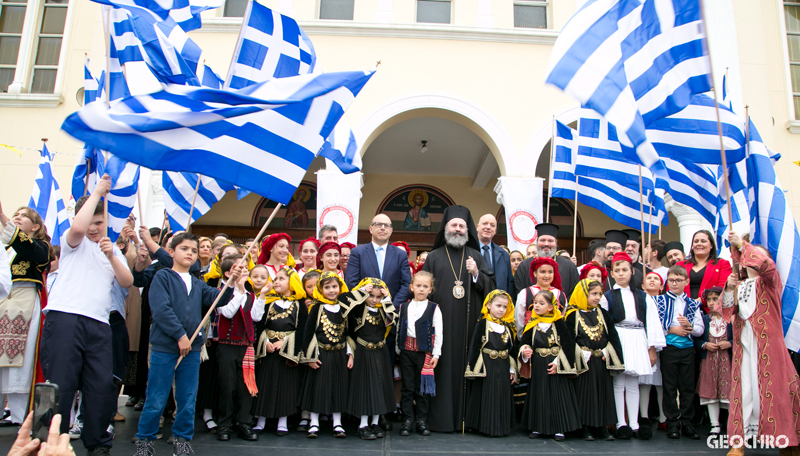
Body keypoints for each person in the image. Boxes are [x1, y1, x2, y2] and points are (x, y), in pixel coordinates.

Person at [41, 177, 133, 456]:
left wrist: (112, 255)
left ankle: (97, 442)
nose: (94, 228)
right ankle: (49, 440)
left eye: (99, 222)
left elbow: (127, 281)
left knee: (100, 385)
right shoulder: (72, 242)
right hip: (66, 318)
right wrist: (96, 192)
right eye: (91, 222)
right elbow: (79, 227)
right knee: (62, 384)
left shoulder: (110, 249)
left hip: (99, 324)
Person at [132, 233, 242, 456]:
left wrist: (231, 283)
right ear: (171, 252)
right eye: (185, 249)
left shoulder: (198, 283)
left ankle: (182, 439)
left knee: (187, 397)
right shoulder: (163, 277)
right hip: (165, 347)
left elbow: (218, 300)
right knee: (156, 396)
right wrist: (180, 336)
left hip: (191, 349)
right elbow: (161, 310)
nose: (190, 253)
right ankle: (145, 441)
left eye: (194, 250)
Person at [718, 232, 800, 456]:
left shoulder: (771, 281)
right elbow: (725, 311)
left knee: (778, 390)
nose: (750, 256)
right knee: (744, 391)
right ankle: (738, 443)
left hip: (769, 347)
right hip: (745, 345)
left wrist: (742, 245)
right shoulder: (741, 285)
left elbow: (767, 266)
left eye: (756, 254)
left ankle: (789, 441)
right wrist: (728, 287)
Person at [420, 205, 494, 433]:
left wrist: (476, 275)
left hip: (468, 328)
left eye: (462, 226)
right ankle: (440, 420)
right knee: (442, 371)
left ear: (468, 230)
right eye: (454, 225)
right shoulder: (433, 257)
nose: (458, 229)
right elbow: (423, 290)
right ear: (446, 228)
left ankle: (467, 419)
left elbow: (492, 289)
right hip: (440, 329)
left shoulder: (476, 257)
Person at [599, 252, 665, 440]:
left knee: (633, 382)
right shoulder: (607, 296)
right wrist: (607, 347)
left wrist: (651, 347)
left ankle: (635, 423)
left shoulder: (643, 297)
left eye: (625, 270)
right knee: (619, 382)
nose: (621, 274)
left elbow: (651, 322)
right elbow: (604, 323)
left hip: (638, 338)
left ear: (632, 272)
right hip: (619, 338)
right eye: (617, 271)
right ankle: (621, 423)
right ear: (612, 274)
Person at [299, 272, 367, 438]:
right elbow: (308, 333)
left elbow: (349, 333)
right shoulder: (316, 307)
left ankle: (337, 423)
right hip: (321, 354)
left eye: (334, 287)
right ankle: (314, 422)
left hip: (339, 354)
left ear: (340, 288)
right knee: (317, 388)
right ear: (321, 289)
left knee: (338, 388)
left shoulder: (344, 307)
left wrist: (350, 354)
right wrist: (310, 357)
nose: (331, 290)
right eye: (327, 287)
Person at [0, 204, 50, 428]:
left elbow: (31, 251)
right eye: (14, 215)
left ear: (35, 226)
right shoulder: (4, 248)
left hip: (24, 304)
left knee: (20, 363)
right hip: (2, 304)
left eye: (23, 216)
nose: (17, 218)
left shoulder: (40, 247)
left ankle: (22, 418)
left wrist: (3, 217)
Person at [517, 289, 581, 441]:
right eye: (535, 303)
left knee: (557, 395)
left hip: (554, 364)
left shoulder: (559, 323)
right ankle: (538, 426)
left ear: (551, 307)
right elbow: (525, 342)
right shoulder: (532, 323)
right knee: (539, 394)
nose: (536, 306)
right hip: (539, 365)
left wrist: (559, 363)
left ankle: (559, 427)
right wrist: (525, 351)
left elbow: (567, 344)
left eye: (541, 303)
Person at [565, 279, 624, 441]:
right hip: (584, 363)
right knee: (585, 395)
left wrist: (608, 351)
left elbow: (612, 335)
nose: (597, 297)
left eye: (599, 294)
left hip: (601, 360)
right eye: (593, 294)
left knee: (603, 393)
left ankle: (602, 427)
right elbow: (569, 340)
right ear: (583, 294)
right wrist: (580, 354)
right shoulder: (572, 316)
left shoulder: (602, 314)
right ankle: (585, 427)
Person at [252, 266, 307, 435]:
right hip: (268, 351)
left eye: (281, 279)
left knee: (286, 386)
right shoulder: (268, 302)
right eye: (276, 279)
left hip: (287, 352)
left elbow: (302, 329)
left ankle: (283, 420)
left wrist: (284, 341)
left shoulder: (299, 305)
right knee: (264, 384)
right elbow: (259, 324)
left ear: (293, 283)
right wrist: (266, 341)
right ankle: (261, 419)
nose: (277, 282)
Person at [215, 257, 264, 442]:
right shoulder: (221, 293)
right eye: (240, 268)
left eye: (245, 268)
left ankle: (244, 423)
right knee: (227, 387)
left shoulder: (250, 295)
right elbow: (227, 312)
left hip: (246, 347)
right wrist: (240, 290)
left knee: (246, 387)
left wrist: (261, 296)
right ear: (229, 274)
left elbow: (256, 317)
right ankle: (224, 425)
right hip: (227, 346)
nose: (245, 271)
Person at [652, 265, 704, 440]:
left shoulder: (693, 303)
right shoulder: (659, 301)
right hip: (669, 349)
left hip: (687, 349)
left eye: (678, 280)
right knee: (670, 386)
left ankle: (687, 422)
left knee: (687, 386)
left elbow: (700, 328)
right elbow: (654, 324)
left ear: (686, 282)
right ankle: (672, 422)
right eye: (671, 280)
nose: (674, 283)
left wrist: (690, 327)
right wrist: (671, 329)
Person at [347, 278, 396, 440]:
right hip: (363, 352)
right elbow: (345, 306)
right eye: (371, 296)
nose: (374, 300)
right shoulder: (358, 309)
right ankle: (362, 425)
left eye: (378, 297)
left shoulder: (383, 309)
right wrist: (361, 292)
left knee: (379, 387)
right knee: (364, 388)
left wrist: (387, 297)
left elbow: (393, 318)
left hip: (380, 352)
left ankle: (375, 422)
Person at [464, 290, 517, 437]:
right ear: (488, 305)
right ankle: (486, 426)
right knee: (487, 395)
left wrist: (512, 369)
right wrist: (473, 369)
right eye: (498, 305)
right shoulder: (483, 324)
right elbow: (475, 346)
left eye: (504, 307)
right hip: (487, 366)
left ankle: (501, 426)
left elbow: (512, 349)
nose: (501, 309)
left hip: (504, 365)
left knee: (502, 395)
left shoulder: (508, 327)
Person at [396, 271, 442, 437]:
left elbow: (439, 332)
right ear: (411, 287)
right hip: (407, 351)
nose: (421, 289)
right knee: (407, 387)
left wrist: (436, 354)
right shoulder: (404, 307)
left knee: (422, 389)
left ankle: (421, 420)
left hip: (425, 354)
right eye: (418, 286)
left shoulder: (434, 309)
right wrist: (398, 349)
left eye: (425, 286)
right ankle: (407, 419)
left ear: (430, 289)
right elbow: (399, 328)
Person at [694, 287, 731, 437]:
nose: (711, 303)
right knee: (710, 391)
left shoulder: (731, 319)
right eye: (709, 299)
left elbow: (740, 337)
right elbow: (696, 338)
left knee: (729, 391)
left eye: (715, 299)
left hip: (727, 361)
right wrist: (704, 345)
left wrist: (730, 343)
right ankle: (714, 424)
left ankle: (732, 422)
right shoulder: (704, 319)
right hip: (709, 361)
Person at [514, 223, 579, 300]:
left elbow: (574, 293)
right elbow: (519, 292)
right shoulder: (524, 265)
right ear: (537, 242)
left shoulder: (569, 266)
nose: (546, 244)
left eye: (550, 241)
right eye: (542, 240)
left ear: (556, 242)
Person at [639, 270, 667, 432]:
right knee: (644, 381)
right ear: (642, 285)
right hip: (643, 343)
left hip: (661, 344)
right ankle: (644, 416)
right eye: (648, 278)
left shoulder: (664, 301)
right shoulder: (640, 300)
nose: (652, 280)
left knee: (660, 382)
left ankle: (663, 416)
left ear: (661, 286)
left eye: (656, 278)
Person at [676, 230, 732, 307]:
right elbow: (672, 286)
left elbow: (723, 286)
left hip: (710, 310)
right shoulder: (680, 265)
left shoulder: (722, 264)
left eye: (703, 241)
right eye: (696, 241)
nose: (699, 244)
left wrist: (701, 300)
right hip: (683, 309)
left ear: (711, 245)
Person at [514, 257, 568, 336]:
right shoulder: (525, 293)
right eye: (542, 272)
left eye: (550, 272)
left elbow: (563, 319)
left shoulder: (560, 294)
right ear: (535, 273)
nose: (547, 275)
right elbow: (519, 320)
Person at [477, 214, 514, 296]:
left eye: (492, 225)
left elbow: (509, 282)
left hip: (498, 304)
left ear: (495, 230)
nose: (488, 227)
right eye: (485, 223)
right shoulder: (469, 251)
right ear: (477, 227)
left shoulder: (503, 254)